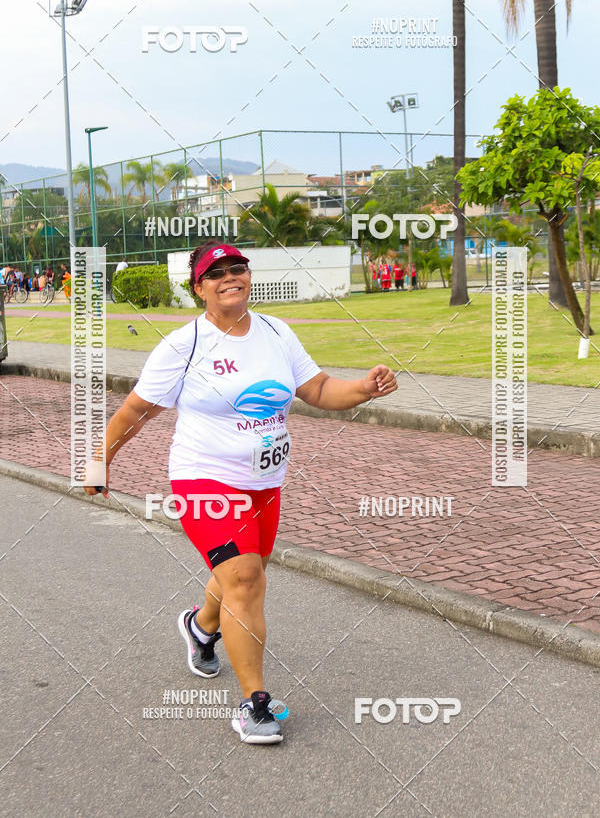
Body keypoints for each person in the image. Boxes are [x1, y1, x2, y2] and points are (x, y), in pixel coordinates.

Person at [83, 240, 398, 746]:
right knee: (246, 578)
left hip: (264, 483)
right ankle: (255, 705)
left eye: (238, 269)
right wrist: (99, 461)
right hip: (203, 477)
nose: (231, 278)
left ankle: (201, 627)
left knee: (241, 576)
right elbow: (135, 412)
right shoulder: (183, 346)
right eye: (217, 273)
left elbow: (316, 390)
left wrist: (363, 387)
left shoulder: (276, 331)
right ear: (198, 288)